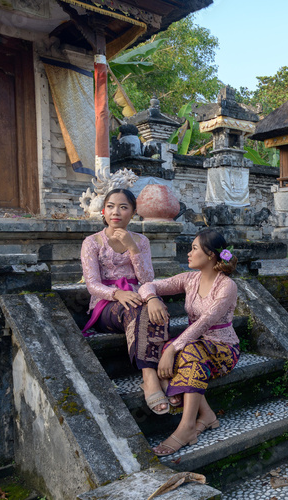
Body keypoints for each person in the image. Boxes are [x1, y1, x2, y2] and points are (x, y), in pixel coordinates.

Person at [138, 228, 240, 456]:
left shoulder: (227, 286)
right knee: (178, 350)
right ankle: (207, 415)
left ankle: (186, 428)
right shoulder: (189, 279)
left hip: (223, 349)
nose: (189, 253)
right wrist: (153, 298)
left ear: (211, 254)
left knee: (184, 352)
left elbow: (205, 322)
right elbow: (147, 285)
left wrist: (173, 348)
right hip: (194, 343)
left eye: (194, 248)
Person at [81, 188, 170, 414]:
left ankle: (157, 371)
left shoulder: (141, 241)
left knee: (156, 309)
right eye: (110, 206)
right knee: (134, 309)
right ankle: (150, 376)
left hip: (139, 296)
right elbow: (91, 284)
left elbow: (147, 279)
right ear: (103, 210)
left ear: (133, 212)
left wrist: (132, 247)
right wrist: (117, 294)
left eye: (123, 207)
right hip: (106, 305)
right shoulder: (92, 242)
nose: (116, 212)